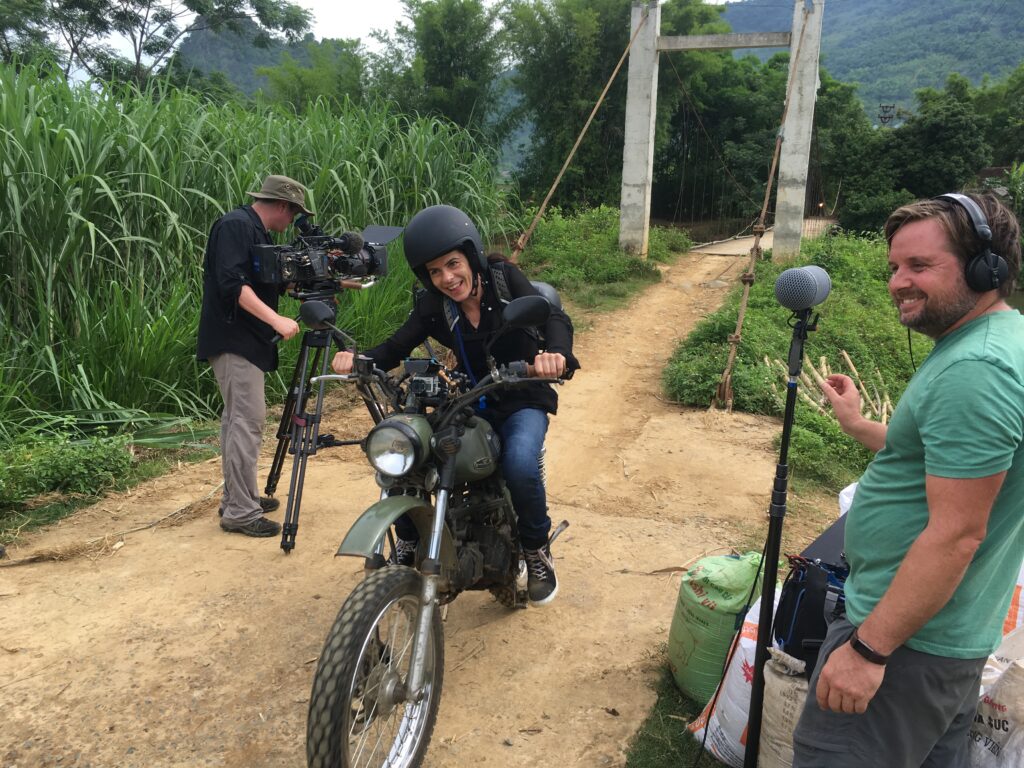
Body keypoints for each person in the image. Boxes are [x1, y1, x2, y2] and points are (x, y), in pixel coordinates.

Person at [791, 192, 1024, 767]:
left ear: (984, 267)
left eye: (920, 266)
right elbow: (934, 459)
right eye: (895, 267)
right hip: (941, 638)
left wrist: (868, 650)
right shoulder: (992, 342)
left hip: (905, 644)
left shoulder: (977, 370)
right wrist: (858, 424)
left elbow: (956, 533)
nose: (898, 282)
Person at [331, 204, 580, 604]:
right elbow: (396, 345)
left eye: (453, 264)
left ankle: (536, 550)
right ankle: (410, 539)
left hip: (520, 396)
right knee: (409, 452)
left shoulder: (502, 279)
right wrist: (359, 360)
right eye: (435, 271)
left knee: (519, 462)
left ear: (471, 255)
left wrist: (555, 353)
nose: (447, 278)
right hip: (469, 399)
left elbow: (553, 318)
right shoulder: (435, 306)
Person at [197, 175, 308, 538]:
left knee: (238, 422)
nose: (290, 222)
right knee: (247, 422)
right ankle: (241, 513)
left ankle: (238, 499)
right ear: (281, 206)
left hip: (243, 341)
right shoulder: (236, 226)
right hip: (234, 340)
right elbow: (232, 283)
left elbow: (264, 280)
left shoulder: (255, 233)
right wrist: (276, 319)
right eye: (292, 214)